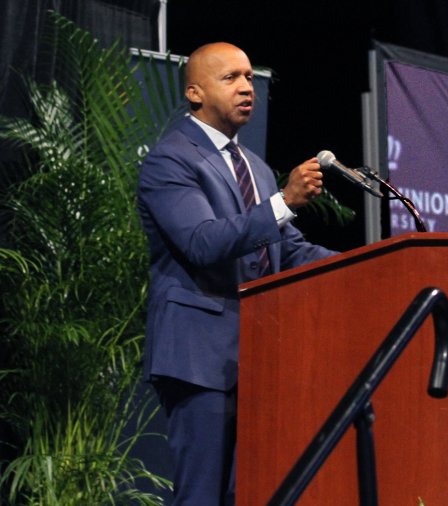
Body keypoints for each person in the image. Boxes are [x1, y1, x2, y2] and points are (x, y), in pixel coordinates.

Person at [137, 42, 337, 505]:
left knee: (249, 494)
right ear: (194, 92)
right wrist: (284, 202)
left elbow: (287, 250)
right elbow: (202, 242)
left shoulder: (257, 170)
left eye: (249, 77)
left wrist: (372, 265)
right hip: (200, 357)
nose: (247, 87)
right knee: (203, 496)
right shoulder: (171, 159)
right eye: (231, 78)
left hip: (261, 356)